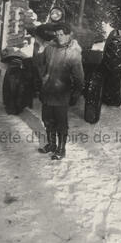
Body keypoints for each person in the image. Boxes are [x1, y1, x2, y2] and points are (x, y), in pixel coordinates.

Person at [34, 22, 84, 160]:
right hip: (48, 90)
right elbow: (41, 65)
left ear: (68, 35)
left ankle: (61, 149)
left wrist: (76, 94)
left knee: (61, 123)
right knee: (47, 120)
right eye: (57, 34)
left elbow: (79, 77)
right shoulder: (50, 48)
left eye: (62, 34)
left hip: (62, 93)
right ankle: (51, 144)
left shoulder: (73, 52)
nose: (59, 37)